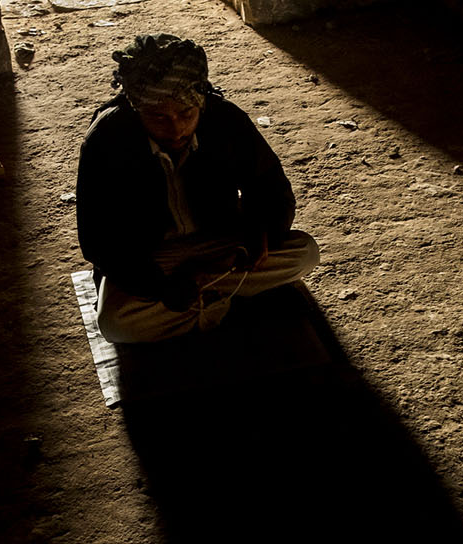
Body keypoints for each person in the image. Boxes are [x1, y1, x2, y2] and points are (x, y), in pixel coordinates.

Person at [76, 33, 320, 343]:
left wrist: (261, 232)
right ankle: (224, 299)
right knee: (114, 323)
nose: (175, 128)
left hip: (221, 245)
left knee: (305, 253)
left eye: (186, 114)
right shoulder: (105, 139)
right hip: (152, 257)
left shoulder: (227, 120)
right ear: (136, 110)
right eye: (158, 117)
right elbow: (97, 240)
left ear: (200, 104)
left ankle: (194, 305)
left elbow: (271, 188)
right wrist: (158, 287)